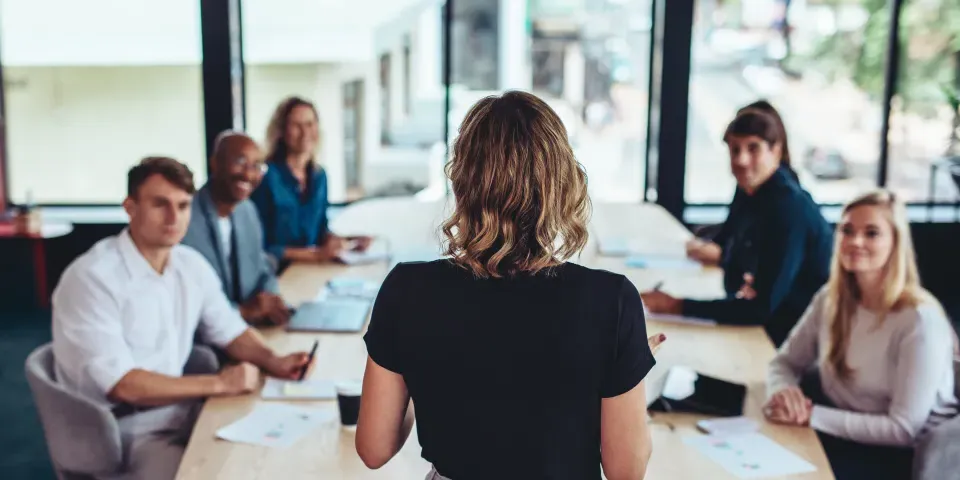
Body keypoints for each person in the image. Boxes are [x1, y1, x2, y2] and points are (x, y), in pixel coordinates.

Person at [355, 91, 662, 480]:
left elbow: (373, 449)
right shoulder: (611, 301)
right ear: (562, 183)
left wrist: (416, 369)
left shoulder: (406, 289)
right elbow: (626, 471)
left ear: (462, 181)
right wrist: (627, 368)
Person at [51, 157, 315, 480]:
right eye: (160, 204)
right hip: (122, 434)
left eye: (183, 205)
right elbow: (123, 385)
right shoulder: (92, 278)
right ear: (130, 207)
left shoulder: (189, 264)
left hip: (182, 412)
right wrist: (219, 383)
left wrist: (275, 360)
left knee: (278, 458)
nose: (174, 218)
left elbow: (229, 329)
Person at [764, 190, 958, 479]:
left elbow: (904, 429)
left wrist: (810, 415)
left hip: (901, 458)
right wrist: (785, 394)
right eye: (847, 230)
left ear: (895, 243)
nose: (856, 242)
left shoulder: (919, 320)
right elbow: (782, 363)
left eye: (872, 233)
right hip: (841, 430)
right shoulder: (830, 298)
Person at [641, 106, 833, 347]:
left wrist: (675, 305)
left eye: (753, 148)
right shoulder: (752, 189)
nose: (741, 160)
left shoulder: (788, 209)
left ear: (776, 150)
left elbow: (762, 309)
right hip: (770, 319)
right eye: (734, 150)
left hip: (796, 337)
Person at [182, 131, 290, 326]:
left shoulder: (247, 211)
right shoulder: (184, 219)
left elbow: (263, 269)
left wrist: (269, 297)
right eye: (240, 161)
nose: (248, 174)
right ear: (215, 163)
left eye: (256, 166)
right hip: (207, 337)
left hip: (248, 330)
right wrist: (243, 312)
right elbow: (185, 302)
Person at [251, 96, 371, 268]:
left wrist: (347, 241)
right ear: (282, 131)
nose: (305, 132)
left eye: (310, 124)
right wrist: (315, 255)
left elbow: (320, 229)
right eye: (296, 125)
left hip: (309, 269)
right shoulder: (265, 177)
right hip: (276, 272)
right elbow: (260, 246)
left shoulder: (319, 176)